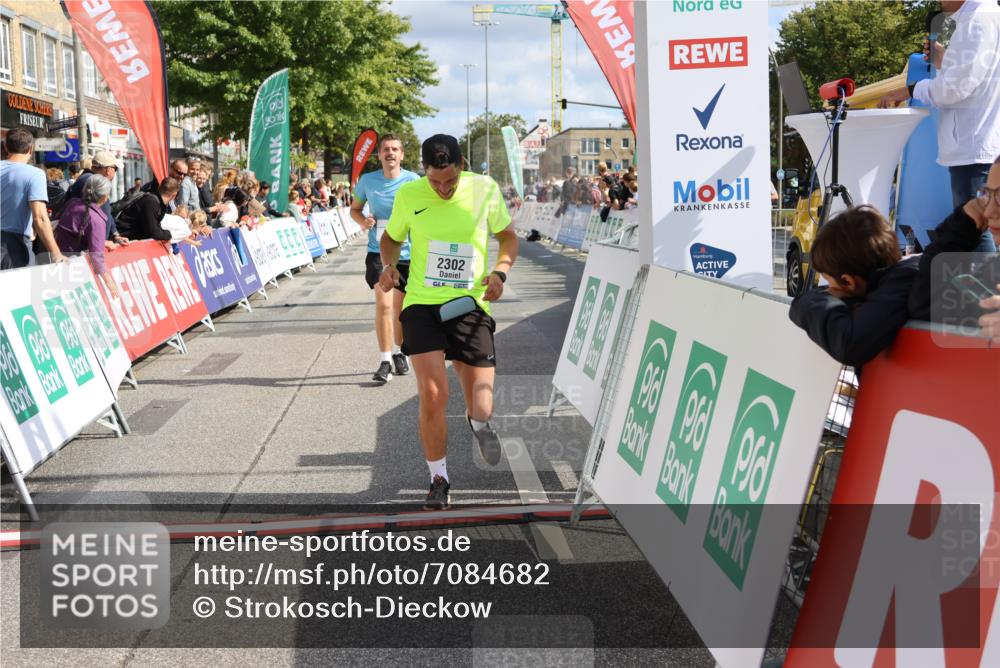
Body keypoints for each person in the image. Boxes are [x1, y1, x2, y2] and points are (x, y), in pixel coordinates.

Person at [379, 134, 519, 510]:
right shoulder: (410, 195)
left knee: (481, 402)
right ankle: (438, 478)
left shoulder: (484, 189)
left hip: (469, 304)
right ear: (424, 169)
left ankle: (480, 424)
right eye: (434, 181)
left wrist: (500, 273)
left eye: (450, 181)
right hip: (422, 304)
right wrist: (388, 266)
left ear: (462, 165)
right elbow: (390, 240)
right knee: (433, 393)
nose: (442, 188)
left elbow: (507, 237)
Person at [879, 0, 1000, 252]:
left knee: (976, 227)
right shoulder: (982, 18)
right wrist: (942, 60)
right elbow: (969, 78)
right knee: (979, 227)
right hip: (975, 142)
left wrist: (912, 89)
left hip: (973, 145)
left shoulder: (977, 22)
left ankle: (983, 292)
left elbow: (956, 88)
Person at [789, 206, 919, 369]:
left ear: (849, 282)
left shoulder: (902, 281)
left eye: (830, 284)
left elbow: (849, 344)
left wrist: (811, 302)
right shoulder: (895, 280)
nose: (829, 290)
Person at [351, 133, 420, 384]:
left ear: (401, 154)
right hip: (378, 252)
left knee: (400, 310)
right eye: (385, 150)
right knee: (384, 305)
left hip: (409, 254)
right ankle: (385, 360)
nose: (390, 153)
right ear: (379, 155)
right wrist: (364, 221)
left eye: (394, 149)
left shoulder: (414, 181)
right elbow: (355, 210)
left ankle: (401, 351)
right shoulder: (368, 181)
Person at [909, 154, 1000, 343]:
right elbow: (928, 306)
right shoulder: (995, 271)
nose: (989, 211)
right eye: (987, 195)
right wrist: (961, 230)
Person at [1, 128, 66, 269]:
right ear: (31, 149)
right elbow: (40, 218)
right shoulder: (34, 174)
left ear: (6, 147)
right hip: (12, 247)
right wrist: (56, 253)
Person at [54, 174, 117, 296]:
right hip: (75, 271)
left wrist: (102, 242)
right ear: (104, 197)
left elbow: (69, 229)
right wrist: (110, 284)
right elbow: (97, 257)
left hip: (55, 261)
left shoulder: (72, 204)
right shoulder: (97, 220)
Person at [116, 177, 180, 242]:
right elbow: (153, 232)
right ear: (174, 195)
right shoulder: (151, 202)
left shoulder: (155, 201)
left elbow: (155, 228)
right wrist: (169, 235)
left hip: (127, 238)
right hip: (121, 238)